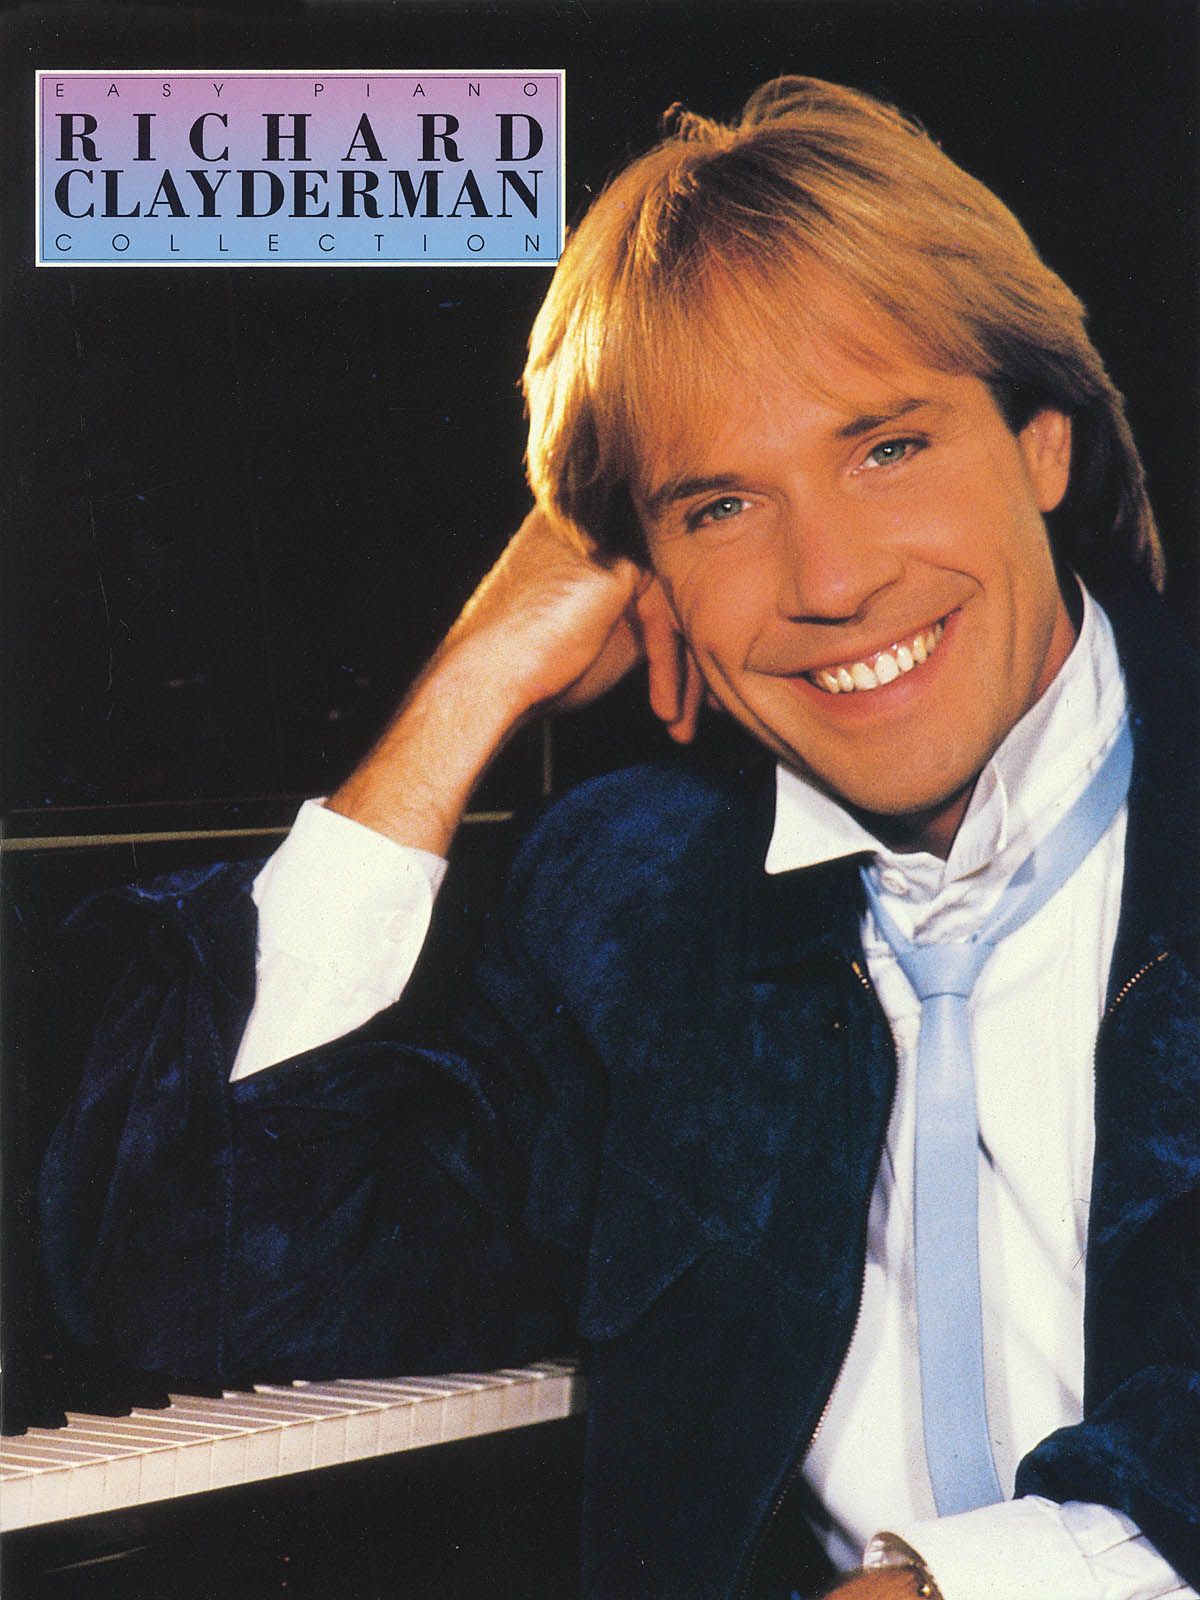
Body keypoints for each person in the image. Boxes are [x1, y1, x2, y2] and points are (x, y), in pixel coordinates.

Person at [40, 77, 1198, 1600]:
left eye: (887, 448)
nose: (830, 581)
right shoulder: (638, 903)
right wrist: (474, 677)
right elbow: (197, 1271)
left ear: (1041, 446)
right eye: (718, 508)